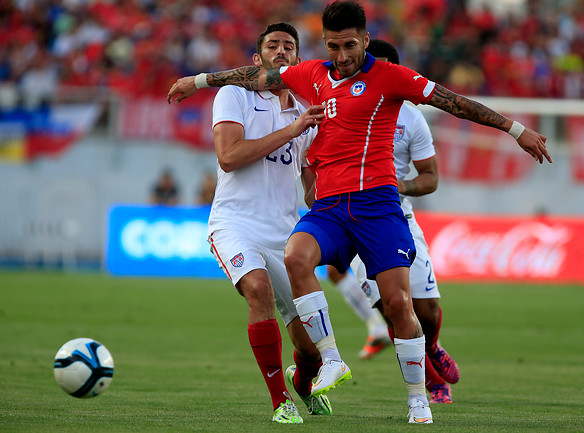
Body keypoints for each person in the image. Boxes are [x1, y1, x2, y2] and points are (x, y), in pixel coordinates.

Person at [167, 1, 551, 424]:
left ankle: (418, 399)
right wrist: (199, 80)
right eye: (334, 46)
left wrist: (516, 130)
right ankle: (332, 360)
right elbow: (253, 76)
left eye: (350, 45)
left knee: (399, 305)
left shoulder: (389, 76)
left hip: (378, 207)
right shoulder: (310, 74)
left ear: (365, 40)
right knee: (297, 257)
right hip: (330, 209)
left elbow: (453, 101)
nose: (343, 56)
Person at [204, 23, 330, 424]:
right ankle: (280, 402)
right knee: (256, 289)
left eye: (289, 47)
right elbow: (230, 156)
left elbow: (312, 188)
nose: (281, 51)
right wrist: (292, 130)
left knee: (312, 351)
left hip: (286, 235)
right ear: (257, 60)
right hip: (234, 222)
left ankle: (303, 382)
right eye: (272, 46)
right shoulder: (234, 95)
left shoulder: (304, 112)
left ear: (297, 60)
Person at [356, 38, 459, 403]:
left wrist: (398, 185)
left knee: (426, 310)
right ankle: (432, 383)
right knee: (393, 308)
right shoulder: (341, 105)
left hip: (398, 216)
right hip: (354, 222)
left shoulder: (411, 117)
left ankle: (432, 346)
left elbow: (430, 177)